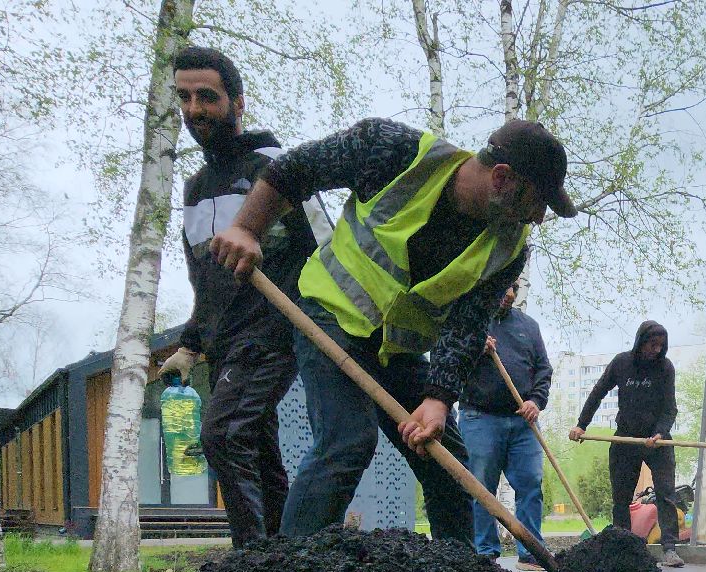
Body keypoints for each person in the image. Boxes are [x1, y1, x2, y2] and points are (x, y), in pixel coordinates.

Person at [208, 117, 576, 544]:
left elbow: (467, 324)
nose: (540, 216)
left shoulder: (509, 248)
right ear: (502, 177)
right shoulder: (394, 151)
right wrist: (246, 227)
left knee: (447, 458)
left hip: (394, 350)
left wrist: (438, 399)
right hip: (331, 315)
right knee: (347, 441)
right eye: (537, 201)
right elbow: (297, 168)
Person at [158, 47, 317, 549]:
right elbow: (204, 282)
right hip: (226, 343)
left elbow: (326, 249)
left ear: (238, 102)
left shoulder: (275, 167)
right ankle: (281, 559)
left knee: (225, 434)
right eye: (184, 97)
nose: (195, 109)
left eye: (208, 96)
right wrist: (189, 343)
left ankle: (254, 565)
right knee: (259, 450)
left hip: (273, 332)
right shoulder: (195, 189)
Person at [568, 321, 683, 568]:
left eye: (661, 346)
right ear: (640, 342)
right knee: (621, 497)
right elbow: (597, 393)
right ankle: (625, 551)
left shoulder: (665, 368)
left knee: (666, 494)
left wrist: (660, 433)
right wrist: (581, 425)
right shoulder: (622, 363)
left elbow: (670, 408)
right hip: (625, 438)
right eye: (652, 345)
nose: (656, 350)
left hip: (657, 441)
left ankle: (670, 549)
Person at [457, 280, 551, 566]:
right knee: (481, 487)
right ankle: (485, 554)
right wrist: (473, 346)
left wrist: (535, 401)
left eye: (513, 288)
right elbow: (447, 360)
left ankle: (530, 552)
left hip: (523, 421)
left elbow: (543, 369)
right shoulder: (468, 321)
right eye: (503, 288)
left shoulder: (529, 326)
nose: (508, 294)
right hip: (479, 417)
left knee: (531, 484)